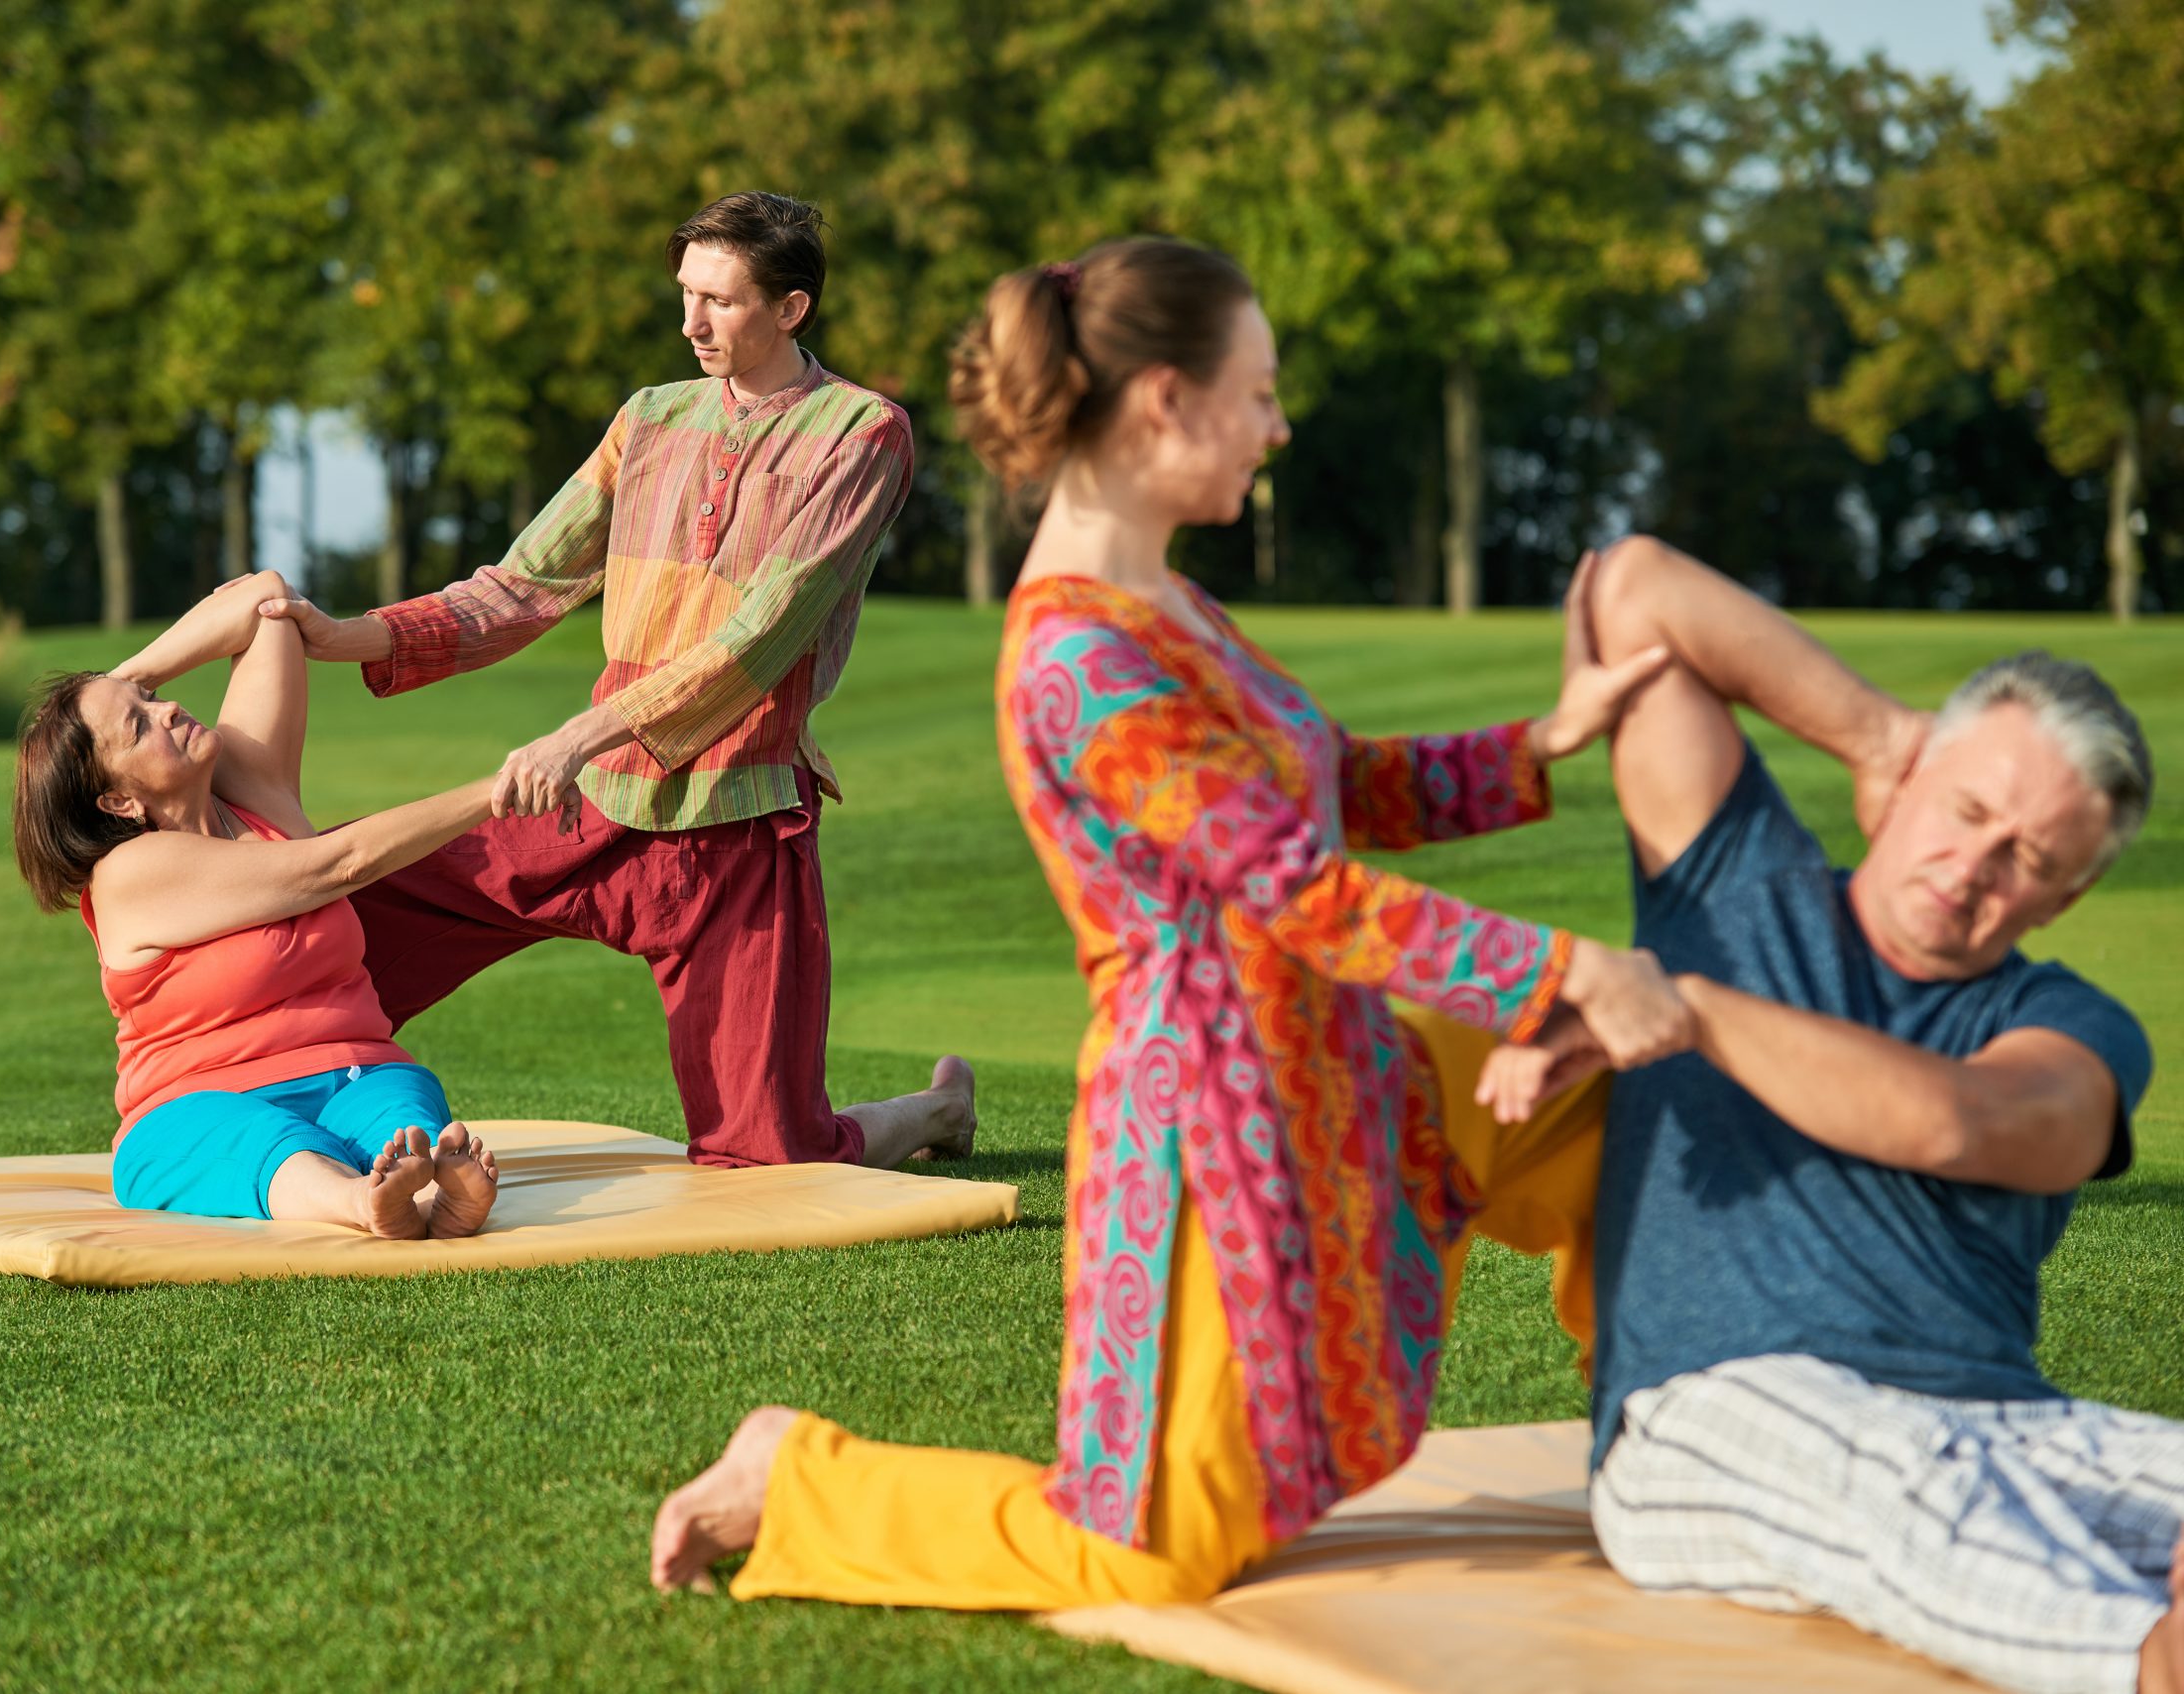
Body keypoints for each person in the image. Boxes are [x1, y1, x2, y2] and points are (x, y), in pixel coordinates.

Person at [646, 237, 1693, 1607]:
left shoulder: (1169, 605)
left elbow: (1332, 784)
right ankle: (799, 1479)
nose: (1278, 422)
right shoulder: (1081, 656)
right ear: (1164, 402)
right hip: (1215, 1115)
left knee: (1624, 1113)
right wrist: (1570, 969)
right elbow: (1294, 890)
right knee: (1144, 1553)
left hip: (1349, 1053)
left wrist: (1539, 742)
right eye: (1257, 391)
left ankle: (1670, 1452)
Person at [1551, 534, 2176, 1694]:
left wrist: (1687, 1013)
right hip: (1713, 1415)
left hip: (2001, 1422)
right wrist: (1872, 732)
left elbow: (1960, 1121)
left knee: (1956, 1463)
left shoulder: (2069, 1024)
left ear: (2071, 890)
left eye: (2028, 855)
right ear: (1921, 770)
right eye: (1967, 803)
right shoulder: (1726, 888)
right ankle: (2141, 1665)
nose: (1973, 863)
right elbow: (1631, 585)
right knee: (1888, 1467)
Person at [257, 190, 973, 1172]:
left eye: (718, 300)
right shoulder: (648, 419)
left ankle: (933, 1111)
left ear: (790, 309)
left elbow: (760, 637)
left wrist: (574, 737)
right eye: (685, 293)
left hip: (734, 821)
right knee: (338, 928)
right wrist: (339, 637)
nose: (690, 322)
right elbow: (521, 585)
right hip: (589, 809)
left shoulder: (861, 434)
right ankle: (275, 1125)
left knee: (769, 1153)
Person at [11, 571, 507, 1240]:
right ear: (119, 802)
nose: (169, 708)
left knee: (405, 1111)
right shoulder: (130, 873)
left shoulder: (252, 786)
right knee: (261, 1140)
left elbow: (267, 601)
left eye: (153, 697)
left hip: (356, 1070)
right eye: (140, 724)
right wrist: (497, 790)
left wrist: (113, 686)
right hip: (196, 1103)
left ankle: (434, 1197)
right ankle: (361, 1201)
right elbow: (340, 862)